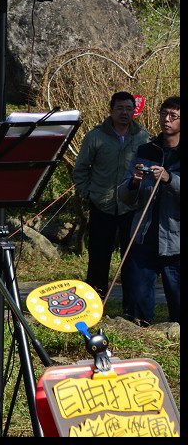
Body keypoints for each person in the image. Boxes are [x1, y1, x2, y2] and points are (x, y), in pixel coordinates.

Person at [73, 91, 150, 314]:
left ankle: (131, 311)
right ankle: (94, 309)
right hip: (102, 206)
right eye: (120, 109)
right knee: (98, 259)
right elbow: (80, 170)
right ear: (111, 110)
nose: (125, 113)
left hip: (130, 207)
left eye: (129, 109)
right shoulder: (95, 136)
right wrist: (89, 194)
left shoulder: (142, 137)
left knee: (131, 261)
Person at [118, 96, 180, 326]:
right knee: (138, 305)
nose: (167, 120)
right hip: (144, 234)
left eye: (174, 116)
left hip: (176, 240)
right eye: (164, 114)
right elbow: (124, 196)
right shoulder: (146, 149)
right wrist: (133, 182)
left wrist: (169, 178)